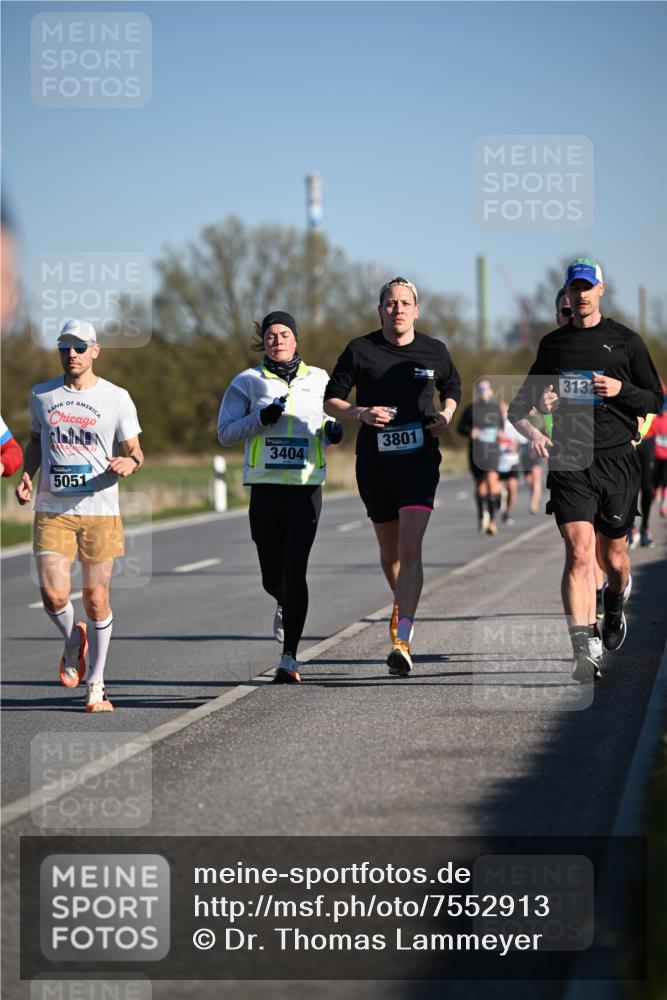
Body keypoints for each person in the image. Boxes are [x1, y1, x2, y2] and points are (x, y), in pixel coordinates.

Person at [509, 258, 663, 684]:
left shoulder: (626, 342)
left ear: (601, 290)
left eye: (587, 287)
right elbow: (522, 408)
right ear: (567, 294)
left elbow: (655, 401)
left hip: (617, 460)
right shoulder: (553, 346)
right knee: (578, 551)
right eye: (574, 288)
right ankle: (584, 645)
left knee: (613, 558)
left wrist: (621, 390)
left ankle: (614, 603)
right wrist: (539, 423)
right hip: (570, 459)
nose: (580, 295)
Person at [323, 277, 461, 678]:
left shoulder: (435, 350)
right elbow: (332, 400)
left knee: (410, 545)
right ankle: (402, 601)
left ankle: (402, 638)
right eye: (390, 303)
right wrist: (360, 414)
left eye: (405, 303)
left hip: (419, 460)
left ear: (417, 310)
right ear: (380, 309)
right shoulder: (359, 349)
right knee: (391, 552)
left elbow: (452, 385)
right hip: (375, 463)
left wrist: (447, 414)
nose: (398, 309)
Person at [15, 319, 143, 711]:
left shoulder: (117, 397)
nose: (72, 354)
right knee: (53, 595)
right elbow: (35, 442)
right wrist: (26, 473)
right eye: (64, 347)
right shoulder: (42, 394)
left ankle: (97, 684)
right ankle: (74, 640)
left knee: (95, 597)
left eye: (79, 347)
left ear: (95, 350)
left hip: (100, 511)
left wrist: (130, 463)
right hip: (53, 509)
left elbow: (135, 450)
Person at [217, 311, 342, 684]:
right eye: (271, 335)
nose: (278, 340)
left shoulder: (319, 379)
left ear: (296, 339)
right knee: (273, 574)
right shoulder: (247, 382)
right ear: (264, 342)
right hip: (266, 488)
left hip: (306, 487)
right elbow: (225, 433)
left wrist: (332, 431)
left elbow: (326, 418)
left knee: (296, 568)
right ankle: (280, 600)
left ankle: (289, 657)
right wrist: (260, 418)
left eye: (284, 334)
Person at [457, 379, 503, 535]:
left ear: (491, 390)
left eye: (486, 387)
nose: (484, 390)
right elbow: (460, 428)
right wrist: (470, 431)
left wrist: (500, 434)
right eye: (481, 388)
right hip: (476, 451)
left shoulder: (496, 409)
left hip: (492, 451)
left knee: (491, 481)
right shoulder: (471, 409)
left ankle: (492, 521)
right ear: (477, 391)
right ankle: (481, 515)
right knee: (480, 485)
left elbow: (502, 428)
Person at [497, 402, 526, 525]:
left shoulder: (513, 426)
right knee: (496, 490)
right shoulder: (493, 425)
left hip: (512, 461)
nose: (503, 414)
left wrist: (515, 446)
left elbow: (524, 440)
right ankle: (497, 505)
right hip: (496, 462)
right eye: (500, 411)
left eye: (505, 411)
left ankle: (507, 512)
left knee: (512, 488)